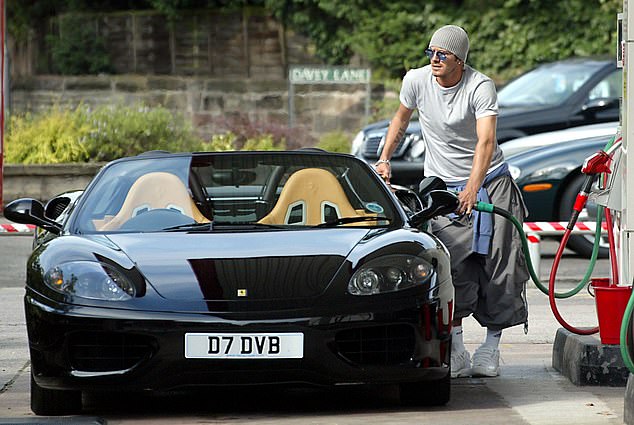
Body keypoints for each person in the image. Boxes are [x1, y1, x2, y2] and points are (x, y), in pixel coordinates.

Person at [374, 24, 529, 378]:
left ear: (460, 59)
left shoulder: (479, 86)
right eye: (431, 52)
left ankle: (490, 349)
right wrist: (384, 158)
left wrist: (474, 187)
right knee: (453, 267)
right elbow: (400, 119)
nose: (434, 60)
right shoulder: (416, 81)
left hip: (490, 182)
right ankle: (457, 349)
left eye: (442, 54)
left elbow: (485, 141)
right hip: (444, 188)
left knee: (501, 268)